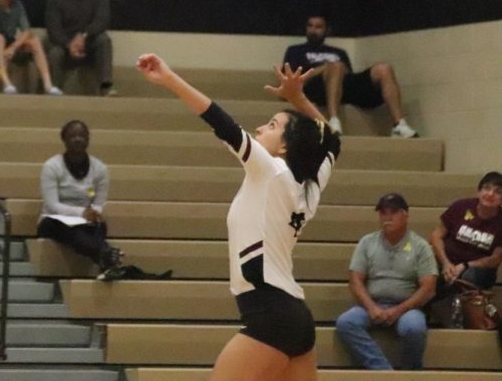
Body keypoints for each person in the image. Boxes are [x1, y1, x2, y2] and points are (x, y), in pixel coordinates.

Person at [137, 54, 340, 381]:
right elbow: (331, 140)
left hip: (270, 315)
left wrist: (169, 78)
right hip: (296, 319)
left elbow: (221, 122)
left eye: (272, 125)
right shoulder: (309, 186)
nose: (260, 127)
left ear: (285, 148)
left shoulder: (269, 169)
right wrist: (298, 99)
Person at [335, 193, 437, 370]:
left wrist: (399, 310)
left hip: (407, 307)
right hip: (372, 304)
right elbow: (355, 280)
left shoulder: (420, 246)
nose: (387, 217)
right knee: (346, 322)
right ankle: (382, 370)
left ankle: (410, 373)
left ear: (405, 215)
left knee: (414, 328)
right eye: (383, 213)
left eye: (393, 212)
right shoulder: (367, 242)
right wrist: (371, 307)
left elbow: (428, 287)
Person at [282, 14, 418, 137]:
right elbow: (291, 80)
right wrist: (326, 67)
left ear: (327, 30)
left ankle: (399, 125)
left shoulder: (339, 52)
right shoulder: (295, 50)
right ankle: (333, 121)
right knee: (336, 66)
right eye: (310, 26)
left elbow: (348, 75)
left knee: (384, 68)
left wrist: (336, 68)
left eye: (318, 27)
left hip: (342, 85)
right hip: (316, 87)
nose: (313, 30)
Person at [37, 120, 124, 281]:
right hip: (53, 221)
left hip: (86, 220)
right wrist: (81, 213)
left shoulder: (100, 168)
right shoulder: (51, 166)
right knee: (73, 231)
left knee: (100, 225)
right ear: (64, 140)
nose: (78, 139)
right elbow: (52, 205)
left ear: (88, 139)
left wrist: (94, 213)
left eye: (82, 136)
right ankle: (106, 255)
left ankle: (107, 262)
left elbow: (99, 202)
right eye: (73, 136)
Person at [44, 0, 115, 96]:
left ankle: (106, 87)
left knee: (104, 40)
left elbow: (102, 21)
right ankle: (54, 91)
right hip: (64, 46)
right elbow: (53, 29)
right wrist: (69, 44)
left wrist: (83, 36)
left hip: (89, 44)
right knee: (54, 52)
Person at [0, 0, 62, 95]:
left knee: (34, 41)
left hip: (9, 45)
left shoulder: (17, 5)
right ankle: (7, 84)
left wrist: (13, 48)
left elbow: (26, 30)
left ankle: (48, 85)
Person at [429, 171, 502, 298]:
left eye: (497, 191)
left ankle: (458, 312)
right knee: (427, 269)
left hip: (477, 270)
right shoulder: (461, 207)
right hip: (447, 262)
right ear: (479, 192)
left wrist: (465, 266)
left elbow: (495, 260)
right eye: (487, 188)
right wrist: (446, 263)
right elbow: (436, 236)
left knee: (469, 276)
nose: (491, 194)